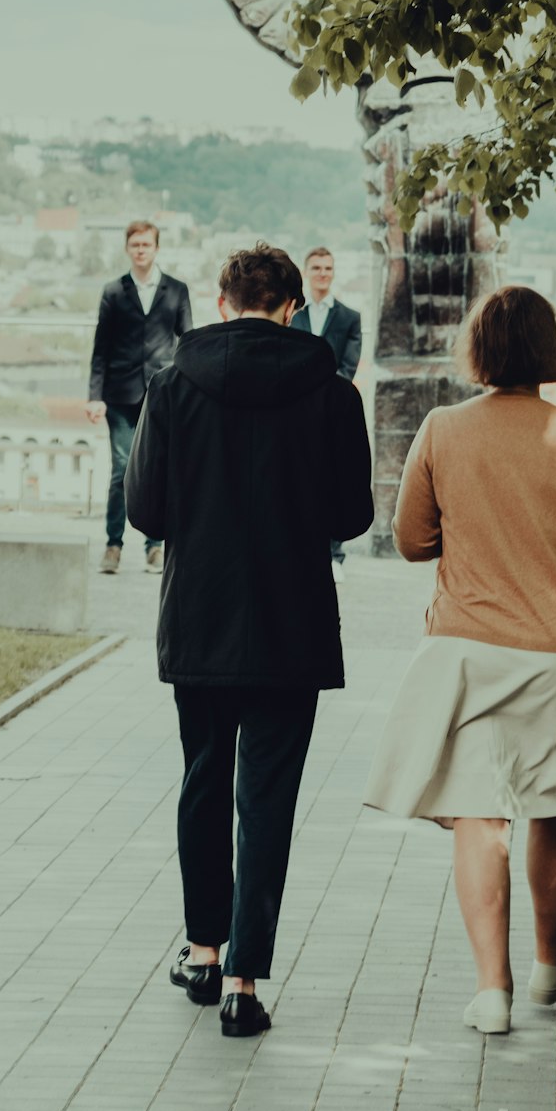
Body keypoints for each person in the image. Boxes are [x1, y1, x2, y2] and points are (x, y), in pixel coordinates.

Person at [364, 285, 556, 1036]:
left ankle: (493, 989)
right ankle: (551, 958)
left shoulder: (442, 429)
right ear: (550, 349)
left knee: (479, 813)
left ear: (477, 350)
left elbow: (413, 539)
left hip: (469, 649)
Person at [125, 243, 374, 1039]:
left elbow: (146, 513)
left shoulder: (172, 387)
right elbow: (351, 518)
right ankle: (243, 981)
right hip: (291, 622)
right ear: (294, 308)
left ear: (223, 303)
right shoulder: (332, 395)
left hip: (199, 617)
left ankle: (201, 948)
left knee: (204, 781)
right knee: (265, 799)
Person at [86, 220, 192, 575]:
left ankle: (155, 547)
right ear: (127, 249)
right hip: (119, 394)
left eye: (147, 244)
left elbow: (187, 342)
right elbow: (100, 348)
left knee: (162, 468)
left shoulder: (177, 290)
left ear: (156, 248)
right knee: (121, 471)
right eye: (135, 245)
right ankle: (113, 544)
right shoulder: (114, 291)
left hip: (163, 393)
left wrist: (190, 390)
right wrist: (94, 396)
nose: (141, 250)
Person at [290, 246, 363, 583]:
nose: (322, 273)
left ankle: (335, 554)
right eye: (316, 267)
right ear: (306, 272)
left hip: (332, 409)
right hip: (296, 407)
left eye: (327, 268)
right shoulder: (294, 316)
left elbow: (347, 366)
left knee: (333, 477)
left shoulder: (349, 318)